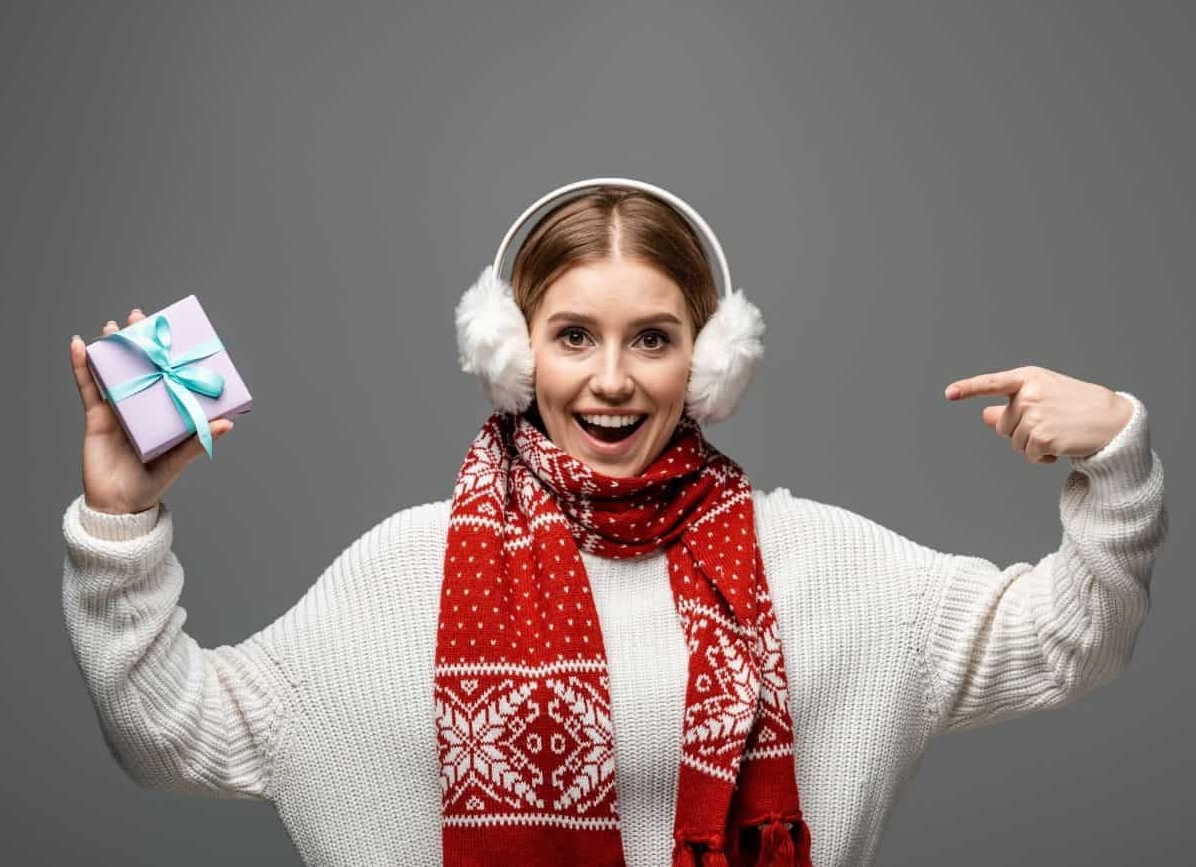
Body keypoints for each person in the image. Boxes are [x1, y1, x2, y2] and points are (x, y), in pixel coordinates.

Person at [61, 178, 1168, 867]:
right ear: (515, 351)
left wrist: (1117, 453)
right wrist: (122, 519)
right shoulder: (410, 570)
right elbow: (169, 734)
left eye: (653, 337)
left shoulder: (820, 569)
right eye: (574, 335)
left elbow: (1075, 639)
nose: (612, 382)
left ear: (710, 358)